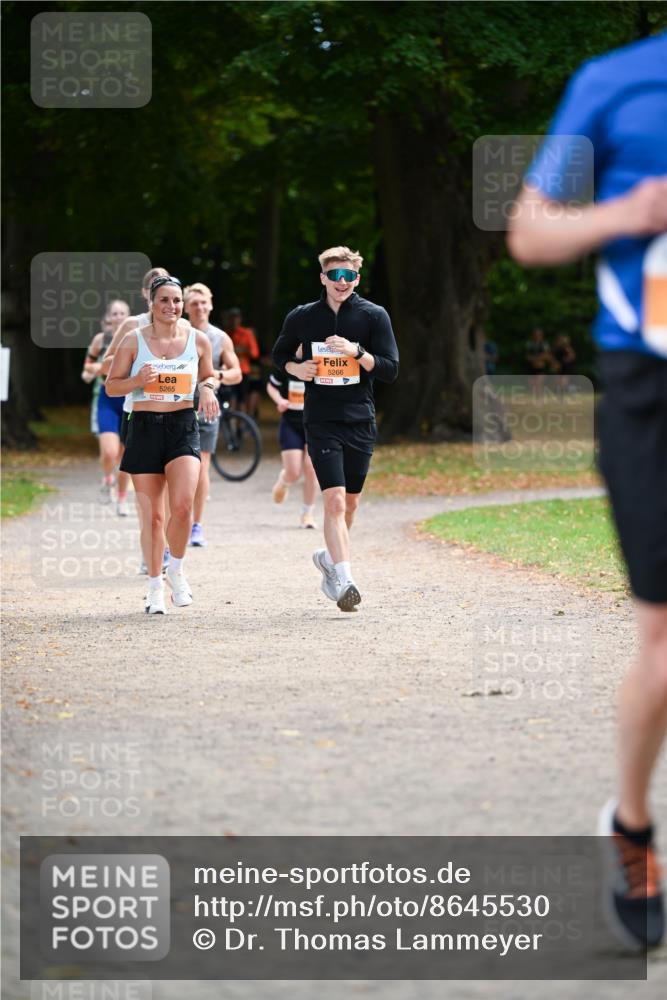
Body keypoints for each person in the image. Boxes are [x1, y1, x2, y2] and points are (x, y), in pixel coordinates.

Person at [507, 31, 667, 949]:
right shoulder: (608, 83)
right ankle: (633, 824)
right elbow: (529, 231)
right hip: (648, 388)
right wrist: (628, 211)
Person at [272, 245, 399, 612]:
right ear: (323, 278)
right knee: (334, 500)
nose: (341, 282)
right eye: (334, 276)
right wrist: (296, 369)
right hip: (321, 419)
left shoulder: (374, 316)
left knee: (351, 504)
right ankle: (345, 580)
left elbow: (391, 369)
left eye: (348, 276)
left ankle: (329, 560)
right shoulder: (303, 317)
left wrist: (357, 353)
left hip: (360, 417)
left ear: (357, 278)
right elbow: (279, 356)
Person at [105, 275, 219, 614]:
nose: (172, 307)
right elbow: (112, 386)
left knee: (182, 506)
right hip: (143, 427)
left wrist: (209, 387)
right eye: (164, 300)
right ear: (151, 305)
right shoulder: (132, 340)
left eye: (176, 301)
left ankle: (177, 571)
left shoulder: (198, 340)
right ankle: (154, 587)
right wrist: (137, 381)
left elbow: (209, 374)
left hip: (183, 426)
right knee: (153, 518)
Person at [100, 266, 182, 573]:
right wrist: (139, 369)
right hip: (139, 412)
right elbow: (107, 364)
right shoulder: (133, 326)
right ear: (146, 295)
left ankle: (166, 552)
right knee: (150, 497)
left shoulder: (181, 325)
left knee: (177, 494)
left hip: (176, 413)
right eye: (152, 287)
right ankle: (149, 550)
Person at [183, 283, 242, 546]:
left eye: (203, 302)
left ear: (211, 304)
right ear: (185, 307)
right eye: (194, 303)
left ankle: (197, 526)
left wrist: (215, 375)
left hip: (207, 404)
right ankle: (178, 521)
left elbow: (236, 373)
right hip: (176, 405)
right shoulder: (176, 333)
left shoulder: (220, 338)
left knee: (201, 465)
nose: (199, 307)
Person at [81, 299, 131, 512]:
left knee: (126, 456)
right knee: (110, 452)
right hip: (106, 398)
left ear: (129, 317)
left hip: (130, 398)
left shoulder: (136, 338)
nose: (119, 317)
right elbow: (87, 370)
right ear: (109, 318)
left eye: (123, 313)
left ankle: (121, 499)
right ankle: (108, 476)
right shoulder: (100, 340)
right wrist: (93, 371)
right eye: (115, 313)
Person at [266, 358, 319, 529]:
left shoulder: (318, 359)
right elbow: (271, 386)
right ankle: (284, 481)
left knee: (311, 469)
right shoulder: (287, 362)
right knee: (294, 472)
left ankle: (307, 514)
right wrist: (279, 401)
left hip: (315, 423)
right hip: (290, 422)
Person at [226, 307, 261, 417]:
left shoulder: (246, 334)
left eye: (236, 318)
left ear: (240, 319)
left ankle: (240, 428)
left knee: (241, 400)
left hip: (242, 372)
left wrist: (242, 350)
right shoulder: (225, 333)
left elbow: (255, 353)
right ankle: (230, 427)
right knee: (230, 399)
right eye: (231, 318)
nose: (234, 321)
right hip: (228, 371)